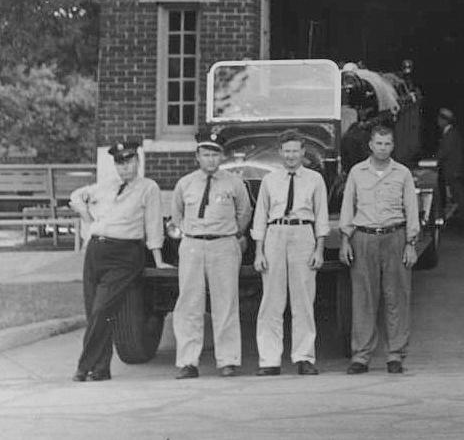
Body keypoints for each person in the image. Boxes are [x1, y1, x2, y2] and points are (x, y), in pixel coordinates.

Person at [68, 139, 167, 382]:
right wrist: (85, 214)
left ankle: (84, 365)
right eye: (120, 163)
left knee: (102, 309)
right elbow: (76, 196)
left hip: (125, 254)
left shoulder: (148, 188)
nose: (124, 167)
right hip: (96, 251)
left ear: (138, 161)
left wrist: (158, 259)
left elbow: (154, 224)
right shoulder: (105, 187)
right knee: (93, 310)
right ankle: (101, 369)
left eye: (129, 161)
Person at [338, 122, 420, 374]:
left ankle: (395, 354)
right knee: (364, 298)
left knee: (397, 297)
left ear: (393, 146)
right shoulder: (357, 172)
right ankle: (361, 356)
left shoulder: (402, 173)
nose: (383, 148)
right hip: (364, 237)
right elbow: (348, 207)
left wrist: (411, 244)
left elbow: (412, 209)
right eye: (378, 143)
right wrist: (345, 240)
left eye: (387, 144)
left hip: (394, 236)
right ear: (371, 145)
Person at [170, 130, 252, 379]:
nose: (211, 160)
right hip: (193, 244)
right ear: (197, 156)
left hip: (223, 244)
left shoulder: (234, 183)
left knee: (225, 302)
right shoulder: (185, 183)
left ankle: (228, 360)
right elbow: (177, 215)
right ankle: (188, 361)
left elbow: (244, 213)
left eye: (215, 155)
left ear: (222, 156)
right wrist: (190, 232)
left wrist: (231, 234)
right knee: (189, 303)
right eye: (206, 154)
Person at [252, 128, 330, 376]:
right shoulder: (270, 180)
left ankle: (304, 357)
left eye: (295, 151)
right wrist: (259, 252)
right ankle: (269, 360)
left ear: (303, 152)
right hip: (275, 234)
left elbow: (321, 217)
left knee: (303, 300)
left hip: (303, 233)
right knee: (271, 301)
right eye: (287, 151)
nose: (291, 156)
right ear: (280, 152)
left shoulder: (315, 180)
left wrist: (319, 250)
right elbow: (260, 216)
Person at [436, 107, 464, 229]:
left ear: (445, 120)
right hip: (451, 170)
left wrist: (435, 159)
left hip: (452, 170)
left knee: (458, 195)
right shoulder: (449, 133)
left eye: (440, 119)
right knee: (455, 195)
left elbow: (444, 151)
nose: (438, 121)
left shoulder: (450, 134)